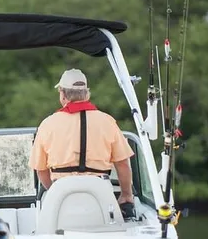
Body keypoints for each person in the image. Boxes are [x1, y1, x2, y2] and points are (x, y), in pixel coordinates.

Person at [28, 68, 135, 213]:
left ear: (63, 94)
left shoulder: (48, 124)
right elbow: (122, 164)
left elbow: (41, 171)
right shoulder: (107, 121)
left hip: (62, 194)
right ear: (86, 93)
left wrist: (55, 193)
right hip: (101, 193)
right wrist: (126, 195)